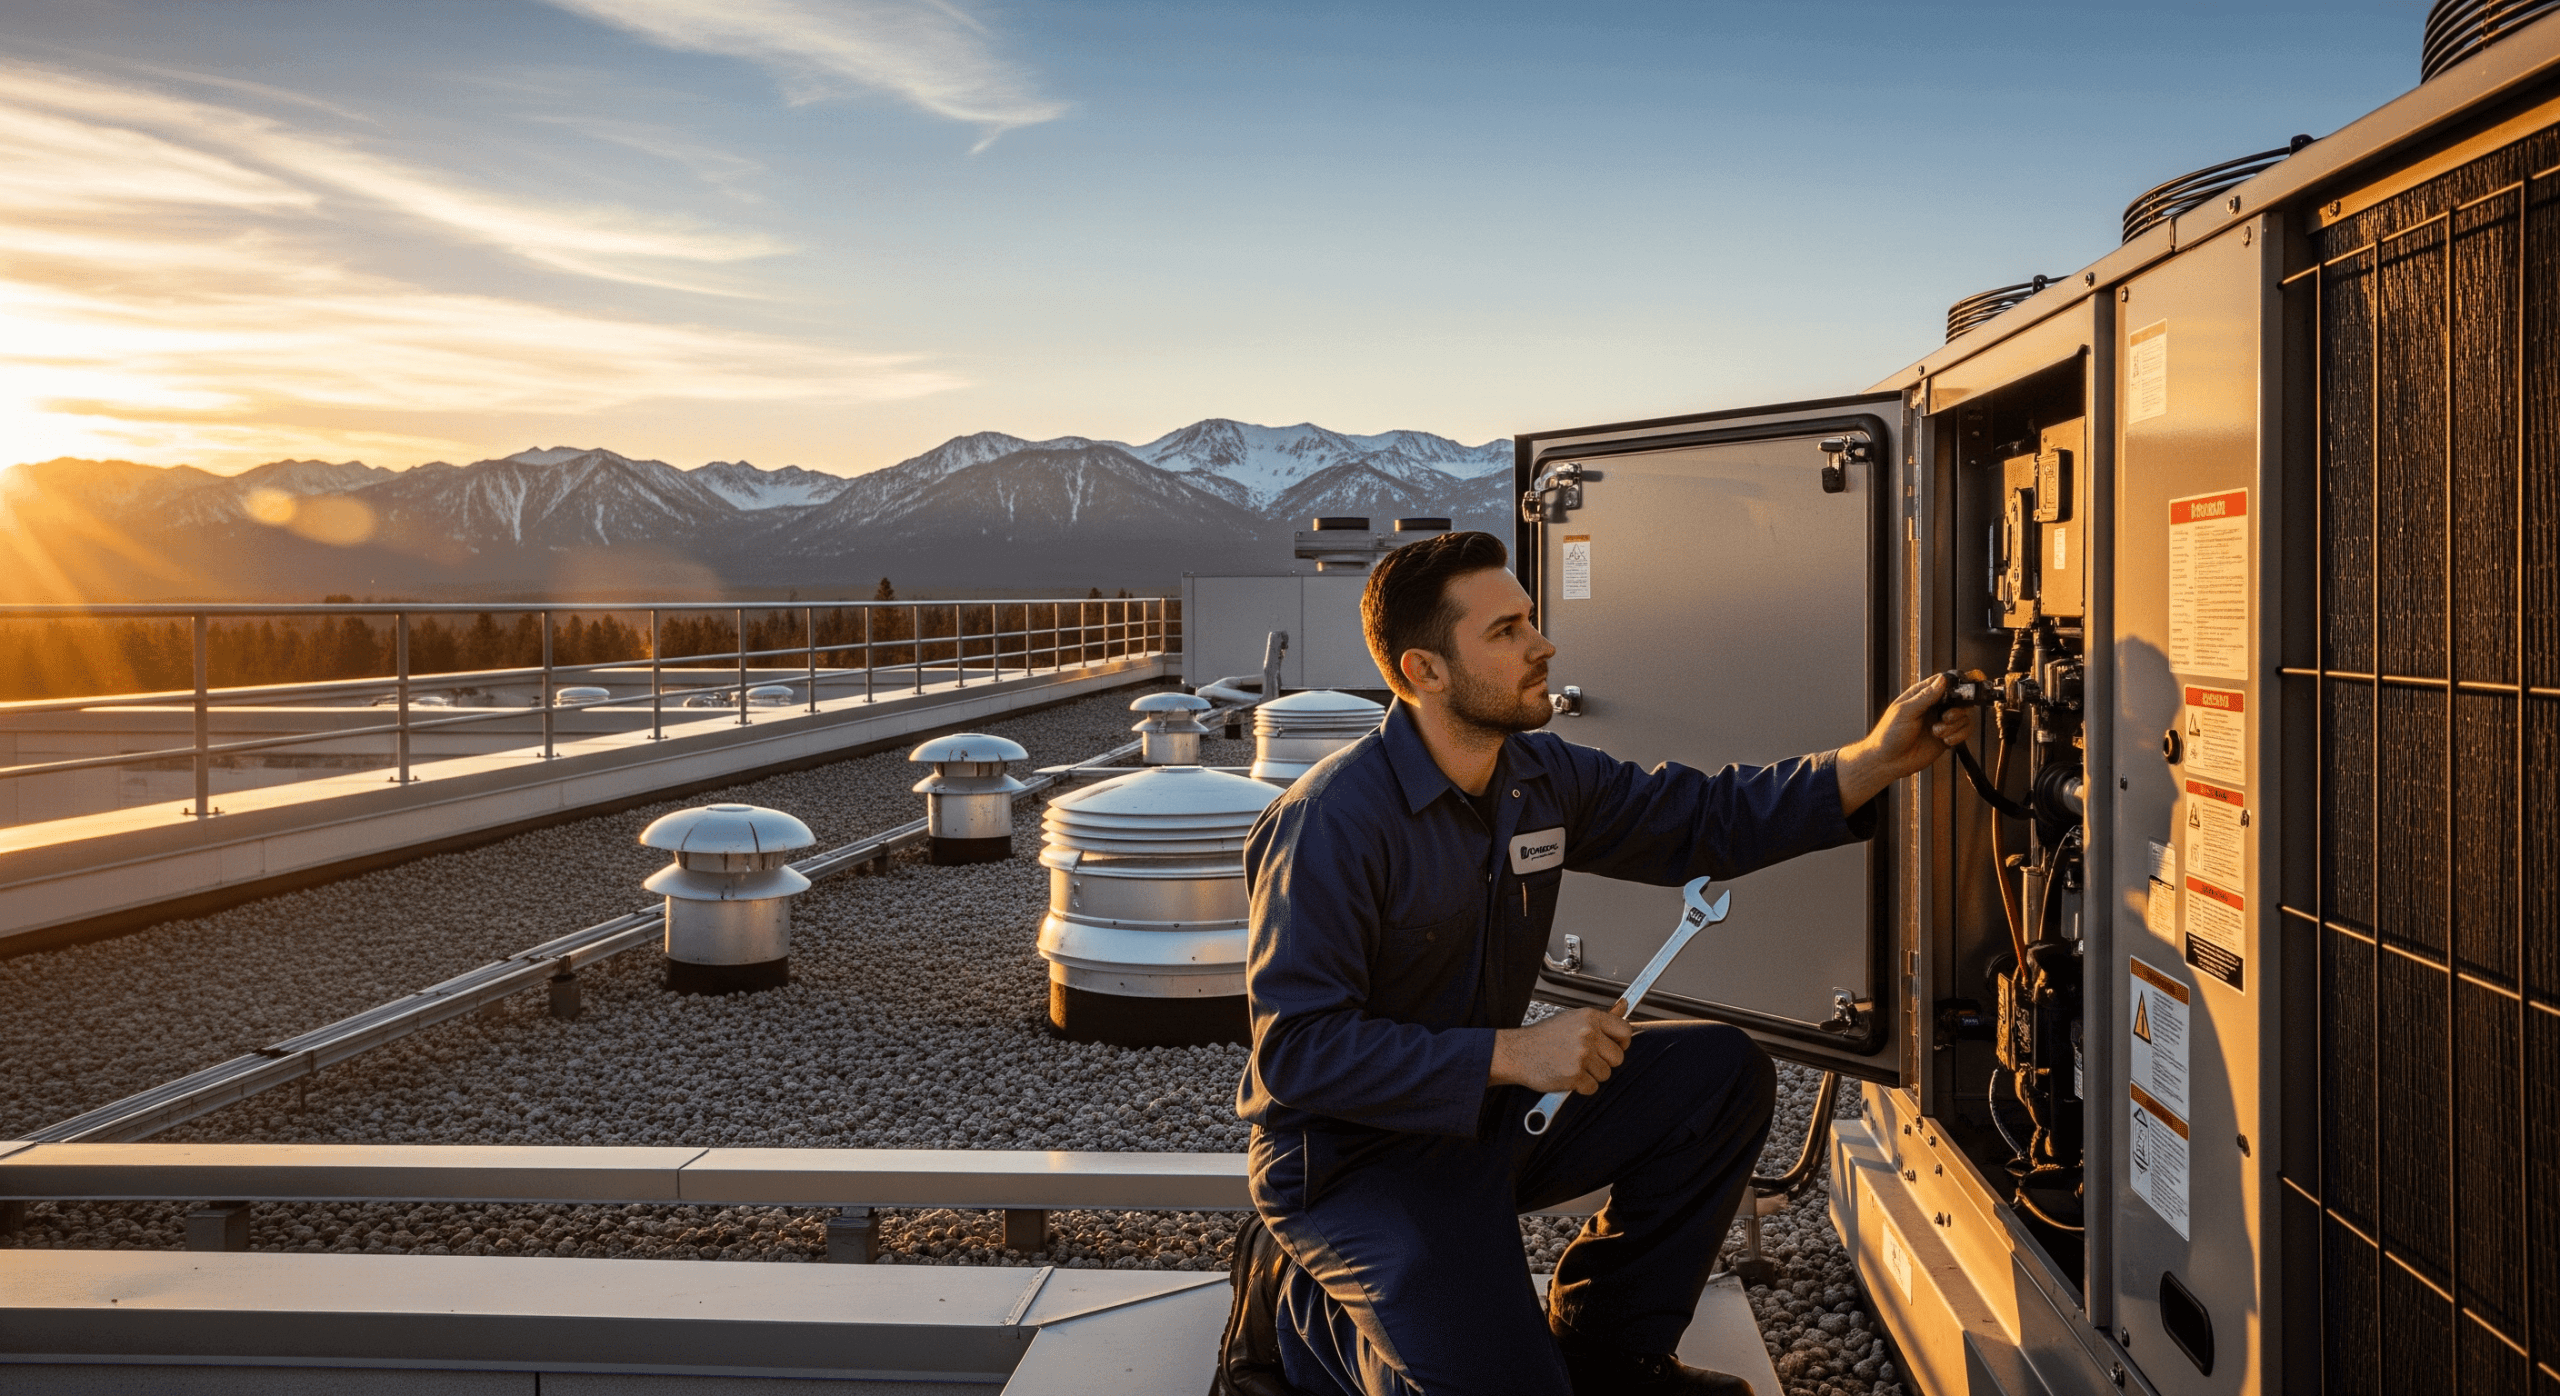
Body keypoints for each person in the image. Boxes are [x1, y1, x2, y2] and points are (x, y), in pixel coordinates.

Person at [1212, 530, 1965, 1396]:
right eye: (1506, 632)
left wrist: (1872, 762)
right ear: (1424, 671)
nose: (1544, 645)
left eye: (1530, 618)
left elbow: (1699, 817)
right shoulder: (1332, 823)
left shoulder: (1536, 773)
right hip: (1352, 1162)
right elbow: (1300, 1055)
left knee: (1719, 1075)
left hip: (1484, 1119)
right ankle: (1297, 1321)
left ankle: (1610, 1352)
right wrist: (1513, 1053)